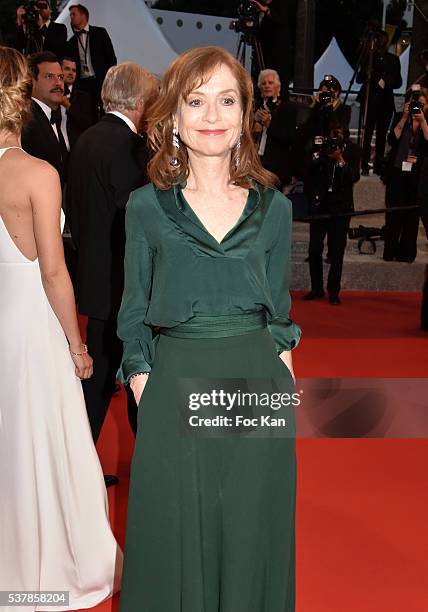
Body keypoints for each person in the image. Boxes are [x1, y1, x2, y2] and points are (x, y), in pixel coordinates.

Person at [117, 46, 301, 611]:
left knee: (250, 528)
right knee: (177, 534)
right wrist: (144, 379)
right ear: (172, 116)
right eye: (196, 101)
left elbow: (279, 315)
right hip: (176, 381)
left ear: (245, 114)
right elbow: (132, 310)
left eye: (227, 100)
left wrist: (284, 383)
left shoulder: (273, 209)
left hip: (254, 381)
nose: (212, 114)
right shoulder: (146, 207)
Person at [0, 46, 121, 609]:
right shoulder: (36, 173)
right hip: (28, 328)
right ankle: (43, 569)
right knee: (43, 443)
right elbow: (53, 271)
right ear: (20, 97)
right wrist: (77, 345)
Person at [67, 63, 158, 454]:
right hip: (122, 286)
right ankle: (153, 470)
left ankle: (77, 471)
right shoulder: (125, 146)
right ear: (139, 101)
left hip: (96, 278)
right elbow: (136, 218)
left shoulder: (87, 138)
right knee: (133, 380)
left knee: (99, 383)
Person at [303, 123, 361, 305]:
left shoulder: (352, 151)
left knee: (337, 252)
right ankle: (316, 288)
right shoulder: (320, 150)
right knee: (314, 249)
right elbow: (308, 171)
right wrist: (321, 156)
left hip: (341, 209)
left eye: (339, 134)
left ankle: (334, 291)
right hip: (321, 207)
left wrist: (340, 160)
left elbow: (354, 176)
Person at [383, 89, 428, 263]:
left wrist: (422, 120)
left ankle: (407, 253)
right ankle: (390, 251)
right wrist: (403, 117)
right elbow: (391, 140)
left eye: (422, 104)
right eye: (416, 104)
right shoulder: (402, 117)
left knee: (411, 215)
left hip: (417, 175)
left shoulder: (426, 121)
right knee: (393, 213)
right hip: (397, 171)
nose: (418, 107)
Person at [22, 51, 81, 185]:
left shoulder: (52, 117)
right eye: (49, 77)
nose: (58, 83)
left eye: (60, 77)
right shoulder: (26, 121)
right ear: (32, 82)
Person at [357, 30, 402, 175]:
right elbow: (359, 78)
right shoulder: (369, 57)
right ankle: (364, 164)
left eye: (382, 39)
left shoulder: (393, 59)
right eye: (377, 39)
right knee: (367, 132)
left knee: (382, 134)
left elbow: (398, 82)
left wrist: (390, 79)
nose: (379, 41)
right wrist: (366, 72)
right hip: (370, 100)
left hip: (385, 102)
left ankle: (378, 164)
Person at [67, 3, 117, 122]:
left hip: (100, 80)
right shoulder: (72, 41)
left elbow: (111, 58)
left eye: (74, 14)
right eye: (70, 15)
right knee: (86, 113)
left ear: (83, 15)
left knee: (104, 111)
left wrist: (107, 79)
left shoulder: (100, 33)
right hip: (82, 83)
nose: (71, 17)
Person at [253, 68, 297, 188]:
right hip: (256, 164)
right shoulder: (255, 108)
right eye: (263, 83)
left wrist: (269, 124)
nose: (267, 86)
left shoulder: (287, 109)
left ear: (278, 87)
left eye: (270, 83)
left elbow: (290, 138)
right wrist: (253, 124)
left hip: (276, 167)